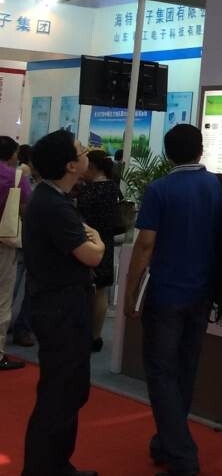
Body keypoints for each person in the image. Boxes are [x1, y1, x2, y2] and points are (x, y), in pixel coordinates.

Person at [125, 124, 222, 476]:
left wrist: (131, 292)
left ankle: (181, 454)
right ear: (200, 149)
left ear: (167, 154)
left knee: (161, 372)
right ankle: (166, 443)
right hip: (203, 292)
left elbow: (145, 245)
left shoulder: (160, 190)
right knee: (185, 369)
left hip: (166, 294)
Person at [21, 129, 104, 476]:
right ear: (70, 165)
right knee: (61, 391)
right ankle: (43, 468)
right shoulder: (53, 205)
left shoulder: (54, 199)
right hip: (60, 307)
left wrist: (93, 244)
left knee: (69, 389)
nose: (87, 156)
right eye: (81, 151)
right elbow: (91, 254)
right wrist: (99, 244)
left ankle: (55, 465)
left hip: (62, 303)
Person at [75, 149, 119, 352]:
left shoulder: (88, 191)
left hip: (88, 242)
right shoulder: (113, 188)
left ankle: (82, 334)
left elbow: (79, 218)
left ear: (92, 167)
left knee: (85, 291)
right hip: (107, 243)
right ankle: (96, 336)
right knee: (101, 291)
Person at [0, 135, 33, 368]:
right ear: (12, 154)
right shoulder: (16, 177)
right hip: (4, 242)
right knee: (2, 298)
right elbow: (25, 209)